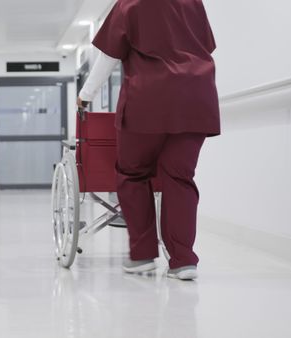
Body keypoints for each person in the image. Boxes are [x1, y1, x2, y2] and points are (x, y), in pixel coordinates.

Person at [78, 0, 220, 280]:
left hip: (149, 99)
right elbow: (205, 46)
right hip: (196, 97)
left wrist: (86, 95)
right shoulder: (193, 3)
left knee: (132, 173)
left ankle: (142, 256)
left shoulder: (130, 4)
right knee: (179, 177)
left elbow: (108, 55)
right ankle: (183, 261)